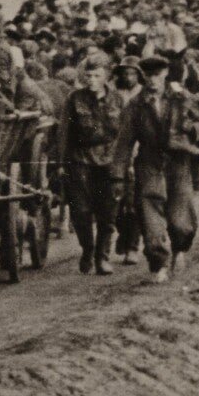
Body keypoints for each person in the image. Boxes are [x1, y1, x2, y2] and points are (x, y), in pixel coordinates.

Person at [114, 56, 199, 283]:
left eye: (157, 75)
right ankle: (159, 264)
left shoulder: (180, 98)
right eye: (149, 76)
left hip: (178, 161)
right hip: (149, 162)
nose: (153, 80)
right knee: (149, 216)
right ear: (143, 77)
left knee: (180, 218)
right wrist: (117, 174)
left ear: (165, 74)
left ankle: (180, 250)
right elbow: (124, 141)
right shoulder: (136, 105)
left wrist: (190, 129)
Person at [61, 52, 124, 275]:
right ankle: (87, 249)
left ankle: (102, 257)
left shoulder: (118, 99)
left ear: (107, 76)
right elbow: (64, 132)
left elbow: (124, 135)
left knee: (108, 213)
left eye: (97, 75)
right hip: (81, 160)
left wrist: (124, 163)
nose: (92, 80)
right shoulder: (74, 99)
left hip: (109, 160)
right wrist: (61, 162)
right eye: (89, 76)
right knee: (81, 211)